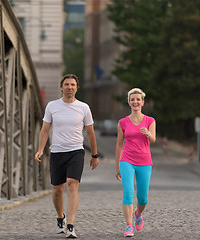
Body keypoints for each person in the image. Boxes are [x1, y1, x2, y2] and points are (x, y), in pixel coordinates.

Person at [35, 74, 100, 238]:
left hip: (76, 151)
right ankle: (60, 218)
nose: (69, 87)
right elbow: (45, 129)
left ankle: (70, 225)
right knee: (57, 190)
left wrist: (94, 154)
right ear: (61, 87)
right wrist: (41, 149)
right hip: (57, 152)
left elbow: (90, 132)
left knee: (72, 184)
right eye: (66, 84)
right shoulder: (52, 106)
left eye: (72, 84)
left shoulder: (84, 107)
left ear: (77, 88)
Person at [115, 88, 156, 237]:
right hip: (127, 160)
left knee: (143, 197)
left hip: (145, 161)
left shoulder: (150, 121)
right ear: (129, 102)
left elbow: (153, 140)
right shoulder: (122, 122)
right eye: (132, 99)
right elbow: (119, 144)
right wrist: (117, 166)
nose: (135, 101)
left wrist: (148, 133)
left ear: (143, 102)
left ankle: (138, 214)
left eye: (138, 99)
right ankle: (128, 226)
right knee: (128, 193)